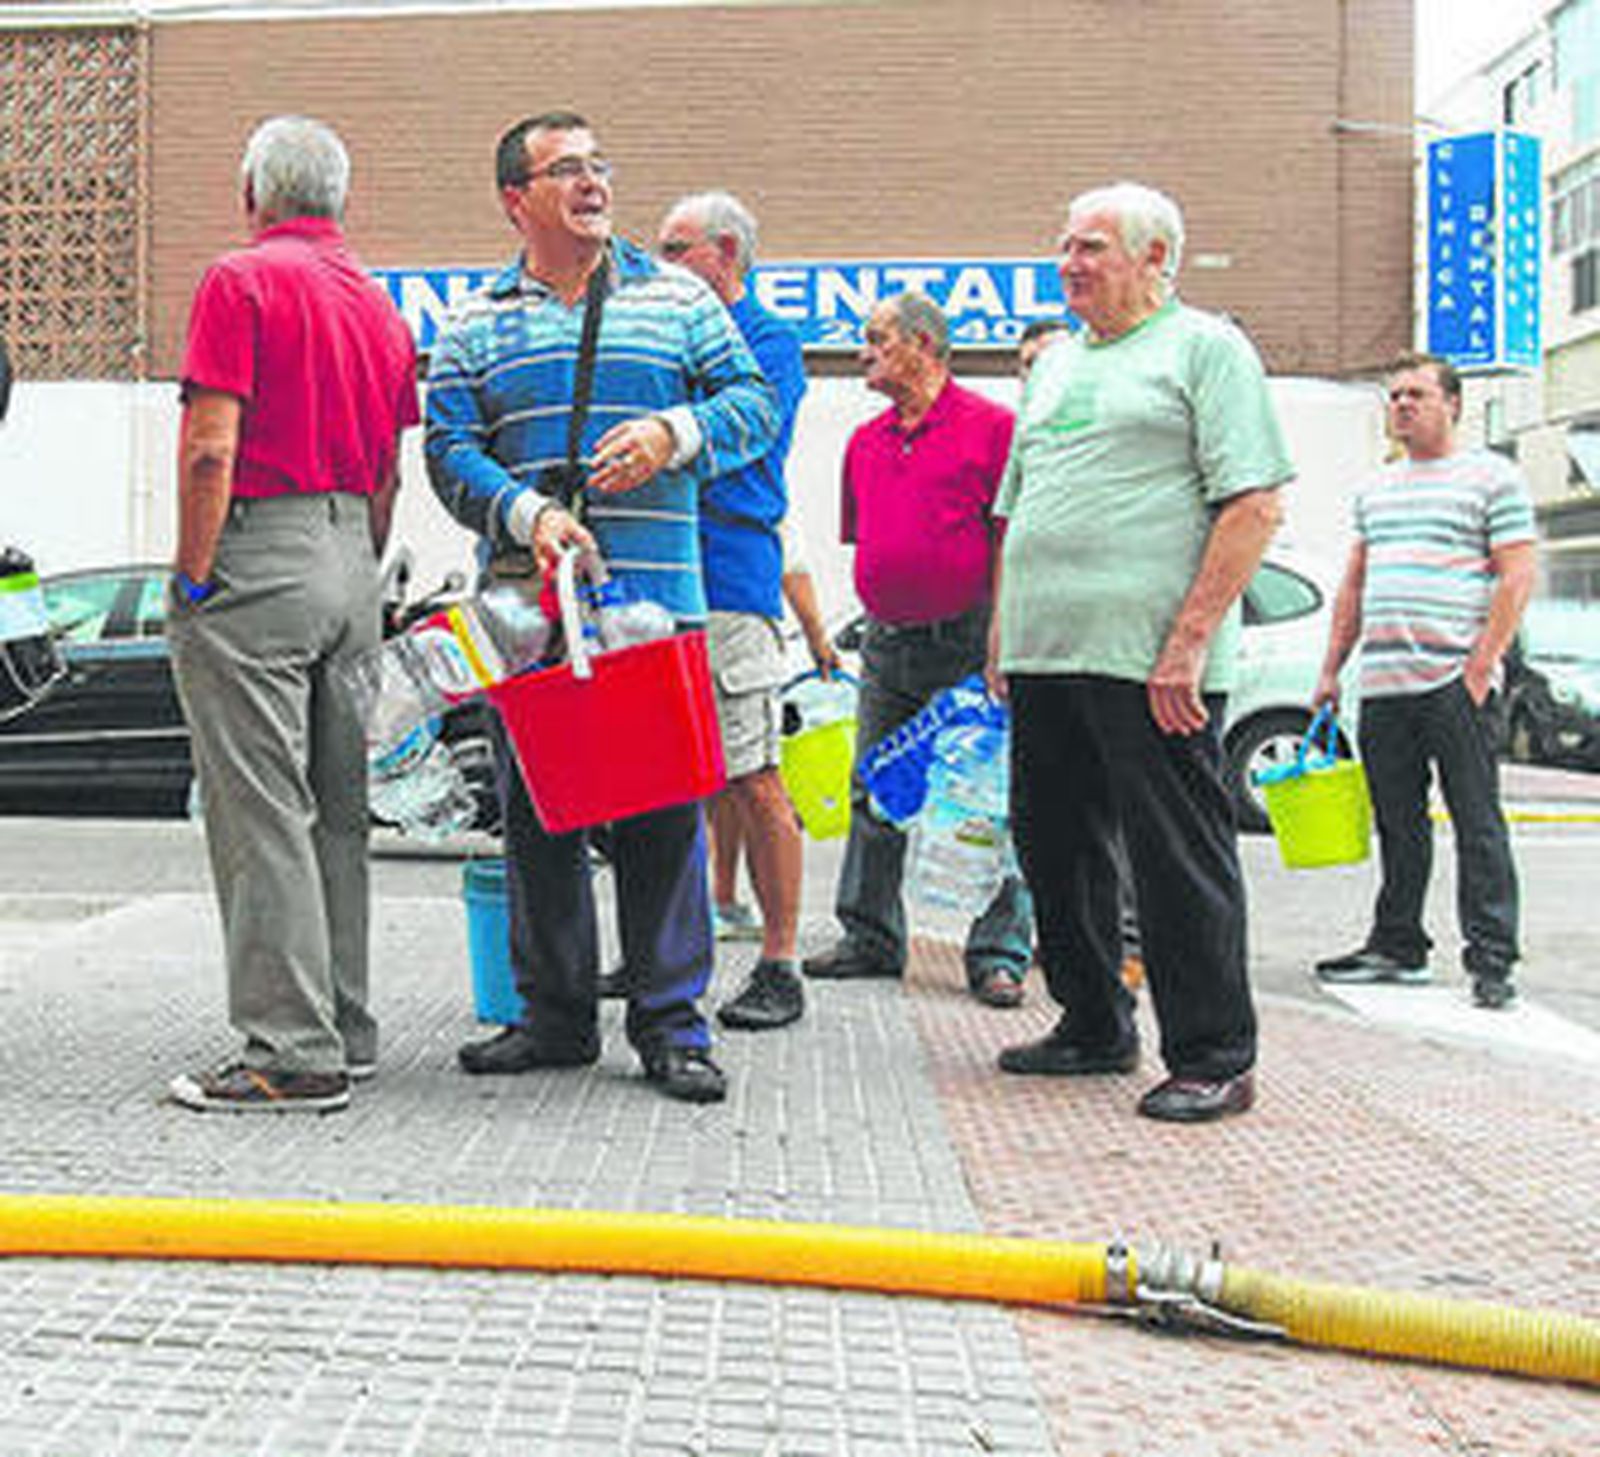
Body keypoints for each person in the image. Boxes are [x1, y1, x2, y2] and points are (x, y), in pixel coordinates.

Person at [425, 113, 778, 1104]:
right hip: (527, 613)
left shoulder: (680, 301)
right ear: (515, 200)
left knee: (666, 818)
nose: (590, 183)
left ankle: (673, 1024)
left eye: (597, 165)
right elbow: (448, 453)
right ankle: (554, 1017)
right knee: (539, 818)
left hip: (658, 609)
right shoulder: (471, 325)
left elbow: (754, 404)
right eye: (564, 169)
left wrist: (676, 431)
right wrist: (526, 509)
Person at [991, 182, 1292, 1123]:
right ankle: (1093, 1022)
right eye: (1064, 245)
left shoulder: (1206, 349)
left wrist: (1189, 641)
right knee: (1053, 843)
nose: (1068, 263)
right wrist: (1004, 632)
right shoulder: (1054, 363)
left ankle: (1213, 1054)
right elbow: (1017, 508)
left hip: (1153, 660)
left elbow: (1252, 503)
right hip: (1048, 652)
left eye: (1092, 247)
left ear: (1157, 258)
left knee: (1176, 857)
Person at [166, 117, 420, 1114]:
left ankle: (289, 1049)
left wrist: (193, 576)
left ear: (252, 194)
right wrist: (356, 556)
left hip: (261, 549)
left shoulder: (241, 281)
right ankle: (344, 1027)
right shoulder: (380, 308)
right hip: (353, 549)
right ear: (341, 200)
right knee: (337, 810)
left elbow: (207, 449)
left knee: (258, 807)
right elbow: (393, 470)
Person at [803, 290, 1033, 1009]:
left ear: (925, 346)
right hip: (888, 642)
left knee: (986, 798)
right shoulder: (865, 442)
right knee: (875, 787)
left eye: (877, 338)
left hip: (969, 639)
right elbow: (870, 539)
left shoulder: (994, 428)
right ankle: (871, 934)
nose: (861, 351)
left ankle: (998, 951)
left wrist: (1002, 642)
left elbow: (1013, 545)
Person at [1312, 354, 1537, 1010]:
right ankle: (1398, 943)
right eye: (1395, 396)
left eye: (1416, 394)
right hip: (1384, 682)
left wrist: (1479, 666)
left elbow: (1517, 574)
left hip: (1452, 681)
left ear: (1454, 403)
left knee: (1477, 822)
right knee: (1398, 823)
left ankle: (1493, 958)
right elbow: (1354, 581)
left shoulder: (1493, 477)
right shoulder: (1376, 488)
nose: (1402, 405)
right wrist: (1331, 668)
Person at [653, 190, 810, 1031]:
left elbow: (743, 448)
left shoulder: (767, 344)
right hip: (659, 584)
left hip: (728, 582)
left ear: (725, 252)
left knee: (752, 773)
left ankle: (781, 957)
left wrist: (662, 443)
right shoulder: (666, 333)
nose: (661, 264)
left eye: (676, 250)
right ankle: (666, 947)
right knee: (667, 780)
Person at [703, 517, 841, 949]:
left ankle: (778, 953)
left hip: (734, 620)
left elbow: (789, 558)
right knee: (722, 783)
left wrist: (818, 635)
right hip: (678, 617)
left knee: (749, 781)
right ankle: (713, 904)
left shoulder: (749, 474)